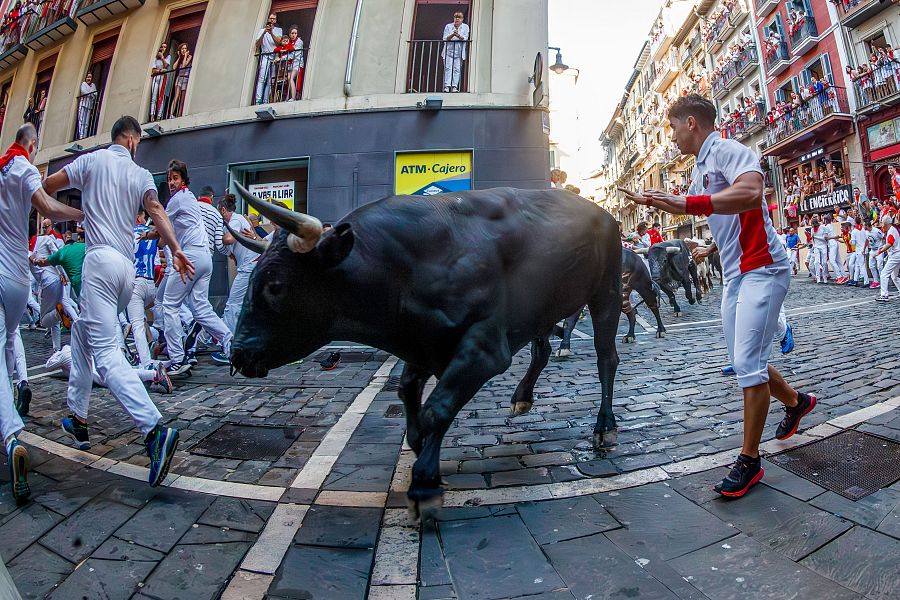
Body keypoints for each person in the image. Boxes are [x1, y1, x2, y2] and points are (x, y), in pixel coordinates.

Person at [621, 95, 816, 498]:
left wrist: (685, 202)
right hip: (736, 274)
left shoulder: (728, 150)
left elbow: (751, 192)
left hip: (764, 267)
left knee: (748, 364)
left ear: (691, 123)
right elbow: (713, 213)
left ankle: (749, 460)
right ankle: (796, 403)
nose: (671, 137)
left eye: (673, 127)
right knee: (745, 362)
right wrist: (659, 201)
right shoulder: (699, 169)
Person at [42, 116, 191, 488]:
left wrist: (75, 212)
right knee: (82, 332)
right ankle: (78, 417)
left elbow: (47, 186)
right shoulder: (140, 174)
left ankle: (154, 430)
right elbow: (156, 210)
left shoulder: (91, 161)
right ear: (133, 141)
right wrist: (175, 248)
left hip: (100, 264)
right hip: (126, 270)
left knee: (107, 355)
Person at [1, 124, 84, 505]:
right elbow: (47, 206)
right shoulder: (24, 167)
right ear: (32, 145)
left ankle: (11, 436)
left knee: (5, 341)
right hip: (17, 278)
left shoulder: (4, 167)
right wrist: (83, 212)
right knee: (10, 337)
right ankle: (16, 390)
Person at [156, 160, 231, 375]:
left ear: (183, 180)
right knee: (200, 308)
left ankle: (178, 358)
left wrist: (147, 234)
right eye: (169, 179)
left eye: (175, 178)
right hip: (205, 258)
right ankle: (229, 341)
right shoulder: (189, 197)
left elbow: (162, 229)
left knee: (169, 305)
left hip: (190, 257)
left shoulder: (177, 200)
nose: (171, 182)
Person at [218, 193, 259, 342]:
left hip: (248, 267)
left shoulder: (236, 219)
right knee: (243, 305)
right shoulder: (230, 225)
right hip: (249, 266)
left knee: (233, 305)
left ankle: (231, 341)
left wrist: (217, 236)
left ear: (223, 210)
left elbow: (229, 239)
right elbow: (231, 254)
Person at [34, 230, 86, 298]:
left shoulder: (62, 252)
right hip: (92, 283)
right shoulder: (85, 247)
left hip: (79, 288)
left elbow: (43, 262)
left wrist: (34, 260)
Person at [255, 13, 283, 104]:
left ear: (275, 20)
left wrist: (271, 33)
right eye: (270, 18)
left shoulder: (278, 30)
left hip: (274, 57)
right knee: (261, 78)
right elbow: (257, 44)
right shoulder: (261, 31)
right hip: (265, 56)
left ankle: (266, 100)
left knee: (270, 80)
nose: (272, 20)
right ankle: (258, 100)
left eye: (273, 19)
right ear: (268, 19)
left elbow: (279, 43)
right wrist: (264, 32)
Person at [442, 11, 469, 92]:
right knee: (448, 68)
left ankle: (454, 86)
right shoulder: (448, 26)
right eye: (455, 17)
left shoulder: (465, 27)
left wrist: (457, 35)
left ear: (462, 19)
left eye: (459, 17)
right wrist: (453, 34)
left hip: (459, 52)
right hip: (448, 51)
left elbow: (465, 38)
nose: (457, 19)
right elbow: (445, 38)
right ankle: (447, 86)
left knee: (457, 69)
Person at [875, 214, 900, 302]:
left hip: (895, 255)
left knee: (884, 274)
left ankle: (884, 295)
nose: (881, 224)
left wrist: (880, 251)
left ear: (885, 223)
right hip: (896, 254)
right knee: (894, 276)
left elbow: (889, 244)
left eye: (882, 222)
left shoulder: (891, 231)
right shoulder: (892, 230)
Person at [170, 43, 192, 118]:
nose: (183, 50)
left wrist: (185, 56)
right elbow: (174, 67)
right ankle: (171, 114)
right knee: (176, 97)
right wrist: (179, 57)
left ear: (187, 50)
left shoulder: (189, 57)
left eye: (185, 48)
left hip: (185, 78)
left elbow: (184, 65)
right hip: (179, 78)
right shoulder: (180, 59)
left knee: (182, 98)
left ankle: (179, 115)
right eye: (182, 48)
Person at [149, 43, 170, 122]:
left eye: (165, 47)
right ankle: (152, 115)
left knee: (161, 96)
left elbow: (166, 66)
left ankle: (159, 116)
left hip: (163, 78)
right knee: (154, 97)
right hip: (156, 77)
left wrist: (162, 57)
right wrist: (160, 70)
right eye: (162, 47)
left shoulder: (168, 56)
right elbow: (153, 70)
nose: (163, 48)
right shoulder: (156, 58)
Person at [76, 72, 97, 139]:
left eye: (90, 77)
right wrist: (91, 94)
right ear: (86, 78)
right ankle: (81, 136)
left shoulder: (93, 85)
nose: (89, 78)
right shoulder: (83, 84)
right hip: (83, 104)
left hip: (89, 106)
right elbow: (83, 91)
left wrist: (90, 94)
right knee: (81, 121)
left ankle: (84, 136)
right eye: (88, 77)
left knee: (86, 122)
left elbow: (96, 94)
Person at [810, 215, 829, 284]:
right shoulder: (812, 229)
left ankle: (824, 276)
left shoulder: (823, 227)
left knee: (824, 262)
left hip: (823, 246)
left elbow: (825, 238)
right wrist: (814, 245)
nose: (811, 226)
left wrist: (815, 237)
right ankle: (818, 278)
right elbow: (812, 239)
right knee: (816, 262)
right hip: (816, 246)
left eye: (812, 224)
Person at [867, 219, 884, 289]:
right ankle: (876, 281)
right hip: (872, 250)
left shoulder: (877, 231)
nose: (865, 228)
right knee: (871, 266)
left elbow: (883, 237)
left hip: (879, 250)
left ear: (869, 226)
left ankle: (883, 281)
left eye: (865, 226)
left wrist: (883, 247)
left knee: (880, 266)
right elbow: (867, 240)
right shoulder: (866, 232)